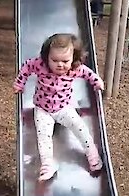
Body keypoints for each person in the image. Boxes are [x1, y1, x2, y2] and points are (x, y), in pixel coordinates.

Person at [13, 33, 104, 181]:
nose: (60, 64)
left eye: (65, 61)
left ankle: (92, 155)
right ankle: (47, 165)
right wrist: (19, 83)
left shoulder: (75, 69)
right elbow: (26, 68)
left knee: (80, 128)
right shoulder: (40, 65)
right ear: (46, 57)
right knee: (43, 138)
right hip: (43, 110)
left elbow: (89, 74)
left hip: (64, 108)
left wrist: (96, 81)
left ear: (74, 59)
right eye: (54, 60)